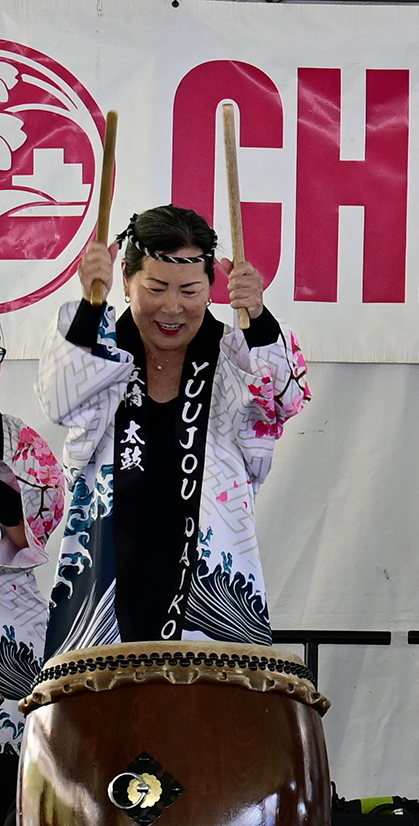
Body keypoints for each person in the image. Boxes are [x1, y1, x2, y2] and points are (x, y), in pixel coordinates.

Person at [37, 206, 309, 654]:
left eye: (189, 290)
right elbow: (59, 397)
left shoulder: (234, 359)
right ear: (126, 280)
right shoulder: (101, 353)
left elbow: (286, 398)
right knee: (97, 720)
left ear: (211, 289)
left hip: (212, 592)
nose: (172, 307)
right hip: (100, 595)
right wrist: (90, 303)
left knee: (212, 723)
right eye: (156, 287)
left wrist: (257, 315)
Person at [0, 332, 65, 826]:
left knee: (19, 764)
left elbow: (32, 541)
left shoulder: (21, 443)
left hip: (10, 607)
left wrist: (6, 504)